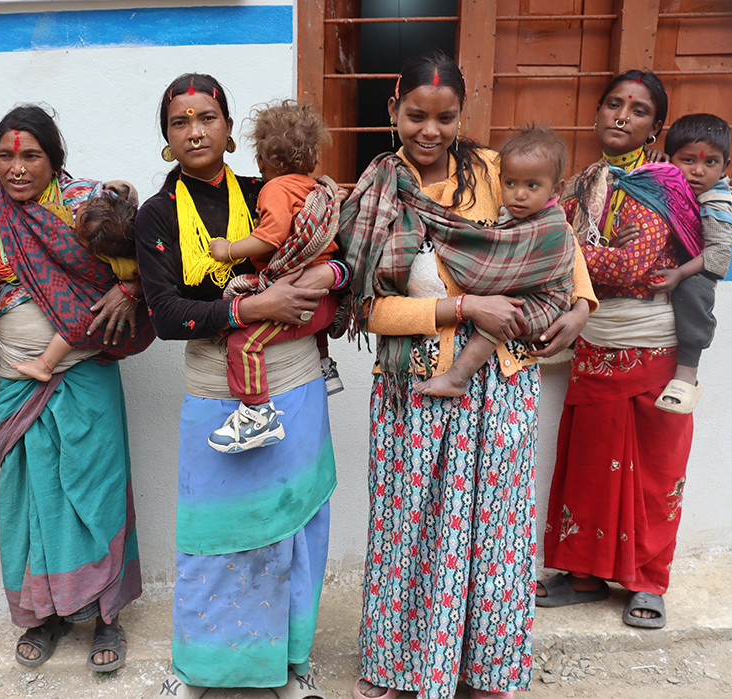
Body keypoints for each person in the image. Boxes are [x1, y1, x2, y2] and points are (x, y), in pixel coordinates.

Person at [344, 52, 596, 699]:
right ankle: (402, 666)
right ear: (394, 109)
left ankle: (485, 669)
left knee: (496, 531)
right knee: (409, 528)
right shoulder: (376, 191)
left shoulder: (494, 169)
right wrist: (463, 308)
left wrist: (580, 306)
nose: (430, 131)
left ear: (463, 114)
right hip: (417, 383)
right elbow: (366, 309)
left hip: (501, 382)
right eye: (416, 116)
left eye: (446, 117)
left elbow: (555, 239)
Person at [135, 73, 340, 699]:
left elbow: (336, 249)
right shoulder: (157, 216)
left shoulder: (267, 192)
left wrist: (327, 277)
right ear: (166, 138)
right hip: (216, 386)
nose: (194, 131)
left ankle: (290, 664)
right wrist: (251, 307)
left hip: (294, 382)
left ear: (228, 131)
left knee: (293, 527)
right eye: (180, 122)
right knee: (214, 535)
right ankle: (202, 667)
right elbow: (166, 315)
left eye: (207, 118)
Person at [0, 105, 151, 673]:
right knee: (33, 500)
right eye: (5, 156)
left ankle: (107, 615)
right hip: (21, 384)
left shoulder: (85, 202)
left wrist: (129, 291)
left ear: (54, 160)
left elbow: (142, 256)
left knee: (98, 492)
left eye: (31, 155)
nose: (17, 167)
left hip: (87, 373)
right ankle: (45, 616)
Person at [538, 70, 701, 631]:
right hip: (595, 343)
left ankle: (648, 582)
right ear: (597, 112)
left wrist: (574, 248)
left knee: (654, 471)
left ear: (655, 128)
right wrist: (584, 250)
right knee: (590, 466)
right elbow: (549, 244)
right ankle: (583, 575)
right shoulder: (583, 182)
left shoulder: (662, 186)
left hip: (652, 347)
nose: (621, 115)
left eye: (637, 110)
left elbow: (632, 267)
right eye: (613, 103)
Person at [203, 99, 343, 452]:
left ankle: (257, 414)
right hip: (324, 298)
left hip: (302, 300)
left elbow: (271, 237)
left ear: (262, 160)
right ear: (313, 157)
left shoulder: (276, 189)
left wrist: (229, 249)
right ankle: (325, 367)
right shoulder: (314, 187)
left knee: (243, 343)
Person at [414, 126, 574, 398]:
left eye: (532, 186)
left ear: (556, 189)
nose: (519, 194)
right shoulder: (518, 212)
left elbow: (491, 272)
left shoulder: (551, 226)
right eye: (510, 184)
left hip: (546, 303)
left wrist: (446, 235)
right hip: (527, 296)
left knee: (496, 322)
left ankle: (456, 377)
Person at [651, 113, 732, 413]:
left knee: (692, 290)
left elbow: (718, 254)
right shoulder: (672, 179)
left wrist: (680, 273)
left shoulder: (717, 201)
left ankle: (687, 372)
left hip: (697, 269)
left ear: (725, 166)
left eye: (710, 162)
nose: (698, 171)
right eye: (687, 160)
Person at [12, 193, 140, 382]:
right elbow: (66, 221)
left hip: (96, 300)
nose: (72, 226)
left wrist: (128, 286)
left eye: (77, 233)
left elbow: (134, 274)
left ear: (93, 248)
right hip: (93, 295)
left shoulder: (121, 262)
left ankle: (44, 366)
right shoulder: (103, 231)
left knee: (77, 325)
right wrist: (48, 212)